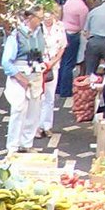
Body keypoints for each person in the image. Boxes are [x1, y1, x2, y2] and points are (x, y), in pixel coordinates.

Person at [1, 8, 47, 155]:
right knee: (18, 110)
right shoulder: (15, 36)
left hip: (36, 74)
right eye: (38, 18)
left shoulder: (40, 33)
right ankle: (13, 147)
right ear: (30, 17)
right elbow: (6, 62)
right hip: (19, 75)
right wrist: (21, 79)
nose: (40, 21)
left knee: (34, 111)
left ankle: (26, 144)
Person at [38, 8, 70, 137]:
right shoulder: (38, 27)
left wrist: (53, 62)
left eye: (49, 15)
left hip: (53, 65)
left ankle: (46, 126)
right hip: (39, 65)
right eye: (45, 16)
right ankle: (36, 127)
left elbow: (62, 46)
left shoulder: (60, 27)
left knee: (49, 97)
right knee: (38, 97)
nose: (47, 18)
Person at [59, 0, 90, 107]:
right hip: (73, 35)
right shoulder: (83, 9)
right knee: (69, 63)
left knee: (62, 61)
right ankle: (65, 90)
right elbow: (83, 26)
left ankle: (58, 87)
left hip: (63, 31)